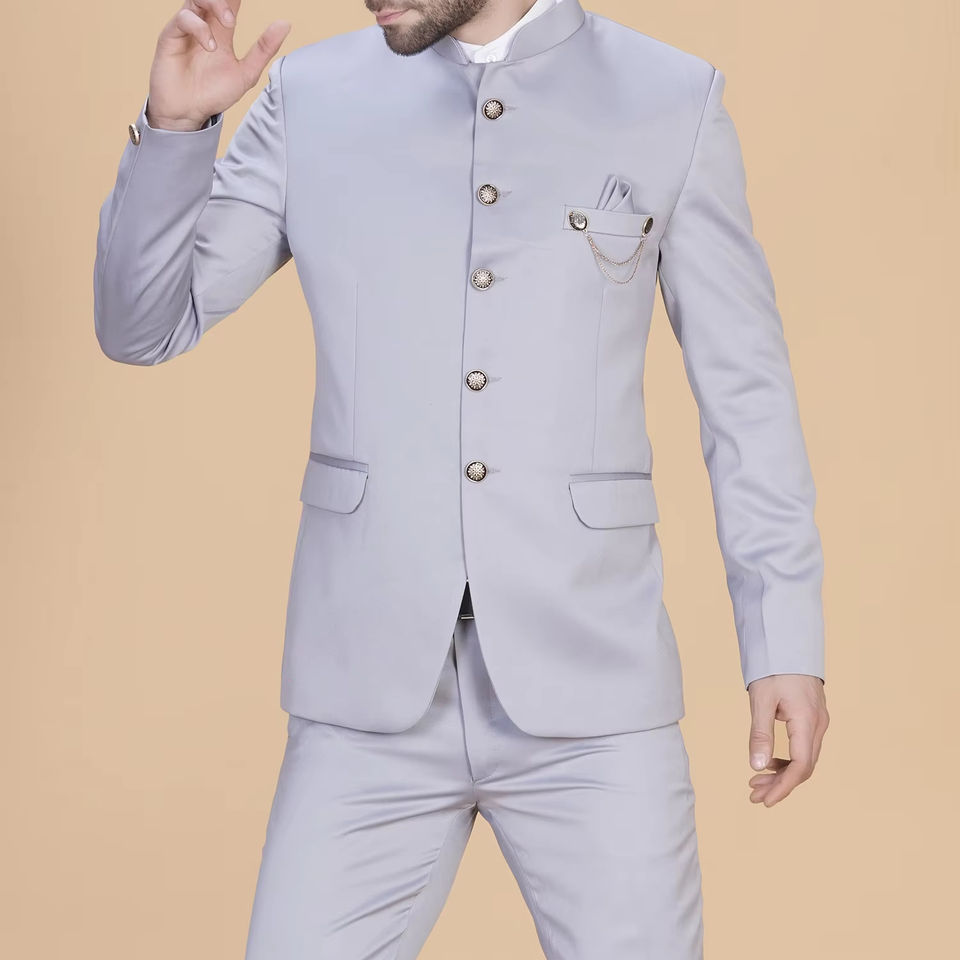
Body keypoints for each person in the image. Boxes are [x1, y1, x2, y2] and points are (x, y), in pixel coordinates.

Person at [93, 1, 830, 957]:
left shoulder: (671, 99)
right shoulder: (310, 97)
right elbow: (143, 326)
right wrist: (176, 130)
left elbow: (746, 396)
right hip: (364, 688)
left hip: (595, 688)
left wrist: (783, 638)